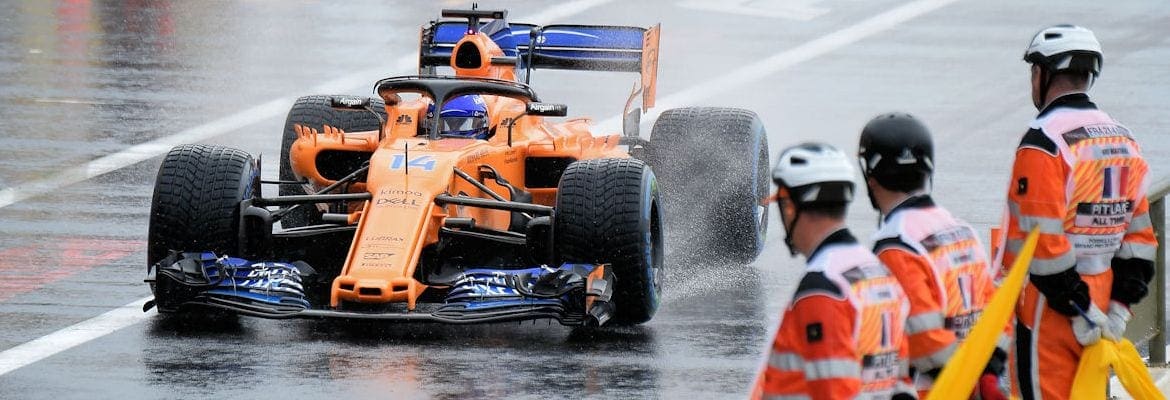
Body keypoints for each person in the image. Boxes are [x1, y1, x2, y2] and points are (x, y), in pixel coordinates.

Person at [999, 24, 1156, 400]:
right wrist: (1117, 307)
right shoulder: (1123, 138)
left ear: (1042, 74)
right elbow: (1140, 239)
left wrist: (1077, 307)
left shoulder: (1043, 142)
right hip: (1104, 304)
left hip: (1050, 309)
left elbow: (1042, 243)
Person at [858, 113, 1007, 399]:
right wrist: (986, 376)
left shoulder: (895, 245)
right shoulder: (962, 230)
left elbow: (924, 339)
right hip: (978, 382)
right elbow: (996, 316)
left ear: (872, 176)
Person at [754, 143, 915, 400]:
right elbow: (902, 380)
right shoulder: (878, 273)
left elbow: (832, 392)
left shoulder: (822, 290)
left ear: (790, 207)